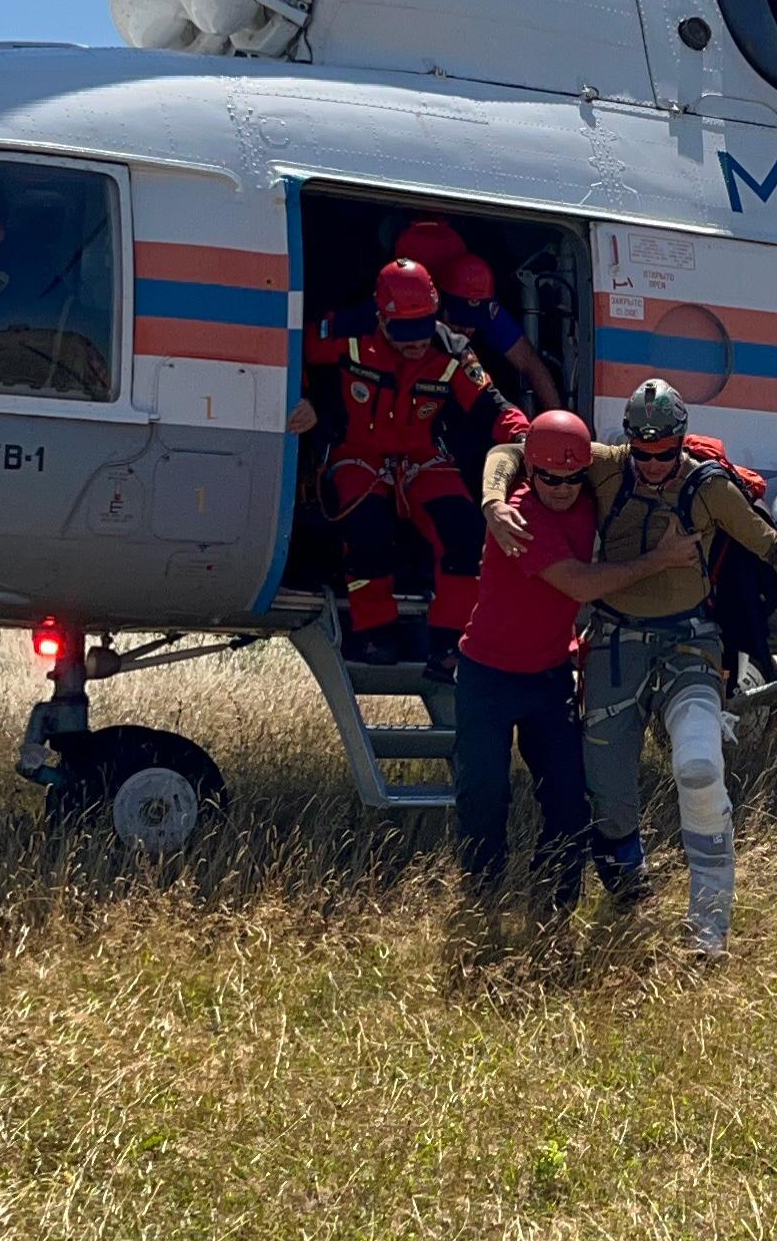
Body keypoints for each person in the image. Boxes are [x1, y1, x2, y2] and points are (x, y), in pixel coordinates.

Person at [483, 377, 777, 956]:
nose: (650, 466)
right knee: (609, 800)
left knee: (698, 766)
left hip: (688, 643)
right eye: (641, 452)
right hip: (616, 644)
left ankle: (709, 928)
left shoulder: (707, 487)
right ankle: (628, 895)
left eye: (663, 453)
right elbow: (511, 452)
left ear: (681, 441)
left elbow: (772, 547)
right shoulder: (606, 467)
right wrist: (494, 502)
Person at [451, 409, 699, 912]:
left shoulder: (589, 498)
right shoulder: (520, 514)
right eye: (550, 478)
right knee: (483, 796)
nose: (563, 488)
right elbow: (581, 585)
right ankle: (483, 900)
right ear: (531, 471)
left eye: (572, 478)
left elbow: (648, 462)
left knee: (568, 801)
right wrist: (660, 560)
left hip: (549, 679)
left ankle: (555, 906)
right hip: (488, 677)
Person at [289, 257, 528, 676]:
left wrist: (528, 437)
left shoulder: (452, 350)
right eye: (405, 331)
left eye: (423, 327)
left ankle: (450, 645)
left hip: (421, 458)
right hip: (357, 453)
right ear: (381, 318)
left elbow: (491, 407)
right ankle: (373, 633)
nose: (417, 342)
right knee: (367, 529)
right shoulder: (346, 331)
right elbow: (293, 352)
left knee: (465, 531)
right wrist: (304, 399)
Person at [397, 216, 562, 410]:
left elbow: (530, 365)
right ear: (439, 306)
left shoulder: (489, 311)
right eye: (460, 322)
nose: (466, 331)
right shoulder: (407, 316)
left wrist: (557, 417)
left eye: (474, 322)